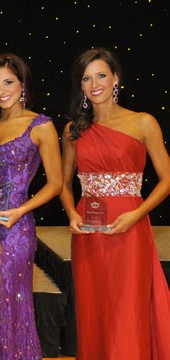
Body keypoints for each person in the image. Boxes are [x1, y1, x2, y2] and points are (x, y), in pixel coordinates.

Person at [60, 47, 170, 359]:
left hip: (129, 228)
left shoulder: (144, 122)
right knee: (94, 310)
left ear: (115, 79)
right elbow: (64, 186)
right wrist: (70, 213)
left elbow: (167, 180)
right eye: (86, 78)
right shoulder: (72, 131)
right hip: (88, 232)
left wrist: (136, 214)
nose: (94, 83)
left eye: (101, 75)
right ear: (80, 86)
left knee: (127, 309)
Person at [0, 53, 62, 359]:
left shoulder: (40, 125)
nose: (2, 90)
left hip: (15, 227)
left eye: (8, 82)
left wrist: (21, 210)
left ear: (22, 84)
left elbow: (55, 183)